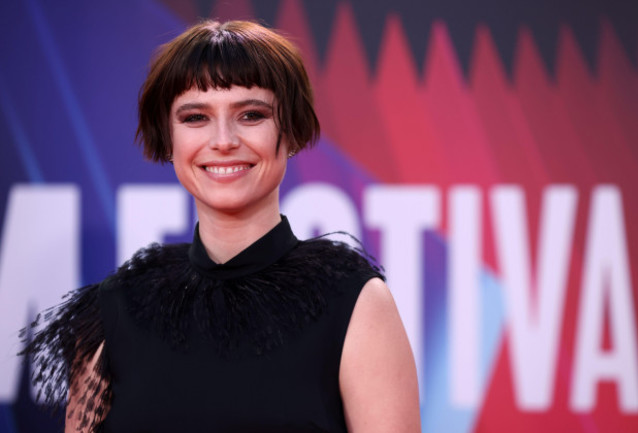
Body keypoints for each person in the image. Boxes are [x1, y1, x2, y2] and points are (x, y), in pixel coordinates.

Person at [22, 19, 421, 433]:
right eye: (196, 117)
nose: (224, 140)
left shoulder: (354, 302)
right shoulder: (117, 307)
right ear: (168, 138)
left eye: (251, 115)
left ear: (290, 131)